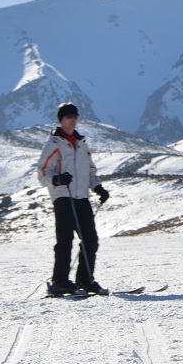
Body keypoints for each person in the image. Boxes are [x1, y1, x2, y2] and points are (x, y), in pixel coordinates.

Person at [37, 102, 111, 296]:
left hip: (82, 197)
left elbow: (90, 170)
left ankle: (85, 280)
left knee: (91, 239)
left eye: (75, 117)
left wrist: (98, 187)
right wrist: (57, 179)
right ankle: (60, 282)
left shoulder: (81, 143)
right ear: (61, 120)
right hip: (63, 196)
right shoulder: (53, 144)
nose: (73, 120)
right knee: (65, 240)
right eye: (69, 117)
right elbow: (43, 172)